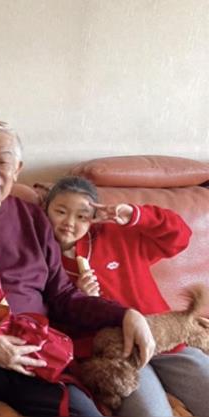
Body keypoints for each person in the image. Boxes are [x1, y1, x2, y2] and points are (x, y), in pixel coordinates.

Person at [0, 119, 156, 417]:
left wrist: (125, 313)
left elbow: (63, 296)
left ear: (17, 169)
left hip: (33, 350)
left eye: (3, 161)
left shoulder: (33, 219)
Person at [45, 175, 209, 416]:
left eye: (82, 216)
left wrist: (135, 216)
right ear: (45, 210)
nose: (70, 222)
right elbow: (53, 325)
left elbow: (180, 236)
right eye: (61, 212)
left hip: (161, 337)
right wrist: (81, 300)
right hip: (116, 357)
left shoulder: (117, 234)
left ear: (93, 218)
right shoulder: (42, 258)